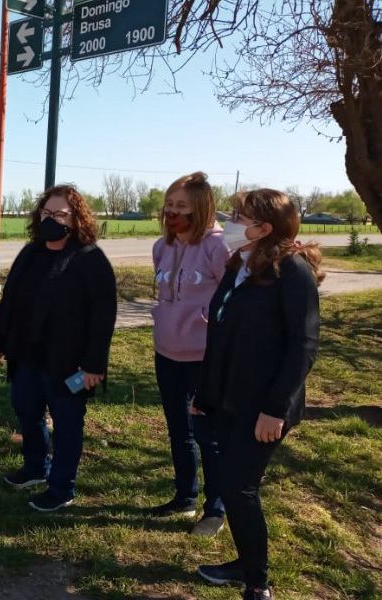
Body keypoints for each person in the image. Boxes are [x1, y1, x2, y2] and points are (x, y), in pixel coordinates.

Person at [193, 189, 322, 600]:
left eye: (239, 215)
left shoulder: (292, 271)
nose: (230, 221)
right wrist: (205, 394)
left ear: (265, 228)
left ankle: (257, 584)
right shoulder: (239, 265)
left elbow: (303, 346)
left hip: (264, 407)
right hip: (228, 398)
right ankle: (245, 563)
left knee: (238, 487)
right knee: (234, 486)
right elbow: (219, 330)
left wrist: (275, 409)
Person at [0, 185, 117, 512]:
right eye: (47, 212)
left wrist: (94, 365)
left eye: (60, 214)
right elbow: (10, 300)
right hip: (27, 354)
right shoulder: (31, 253)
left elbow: (103, 317)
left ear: (76, 219)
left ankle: (62, 487)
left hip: (68, 361)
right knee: (26, 408)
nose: (52, 219)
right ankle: (35, 467)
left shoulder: (90, 259)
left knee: (67, 422)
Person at [149, 172, 231, 536]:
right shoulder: (161, 247)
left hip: (204, 358)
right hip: (166, 352)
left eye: (182, 206)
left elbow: (232, 300)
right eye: (169, 205)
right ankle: (185, 496)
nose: (173, 213)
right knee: (178, 430)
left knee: (207, 434)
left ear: (201, 208)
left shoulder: (218, 248)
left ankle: (215, 508)